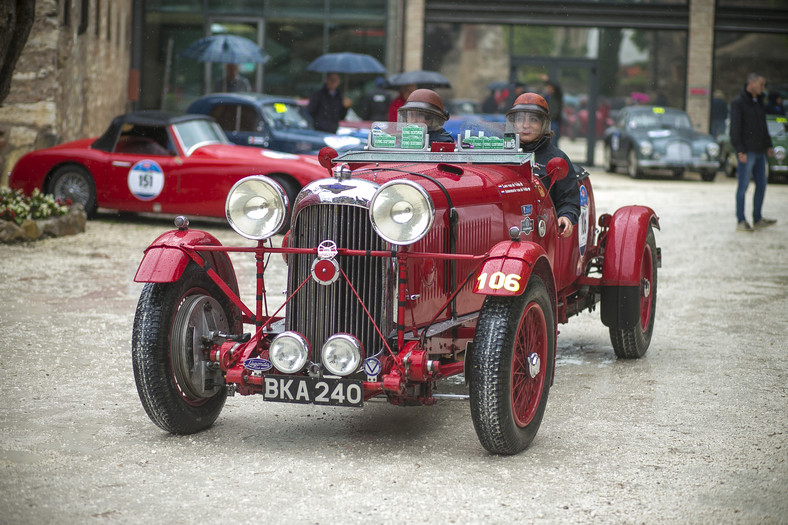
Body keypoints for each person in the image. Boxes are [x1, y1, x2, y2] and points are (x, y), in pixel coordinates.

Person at [506, 92, 580, 237]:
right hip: (506, 227)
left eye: (533, 120)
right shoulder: (500, 154)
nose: (525, 125)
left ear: (543, 124)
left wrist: (566, 216)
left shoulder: (557, 158)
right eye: (520, 119)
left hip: (543, 232)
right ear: (513, 123)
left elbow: (569, 199)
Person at [729, 73, 776, 232]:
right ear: (751, 83)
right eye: (761, 84)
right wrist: (740, 149)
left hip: (759, 151)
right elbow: (734, 129)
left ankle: (757, 218)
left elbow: (763, 127)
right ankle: (741, 220)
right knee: (743, 186)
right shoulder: (739, 103)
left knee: (762, 184)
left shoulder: (759, 102)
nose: (763, 88)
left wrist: (768, 145)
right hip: (747, 151)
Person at [543, 79, 563, 146]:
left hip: (554, 120)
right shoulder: (547, 97)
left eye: (550, 88)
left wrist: (547, 80)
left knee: (554, 138)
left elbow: (557, 88)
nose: (548, 89)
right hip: (547, 120)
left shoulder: (557, 96)